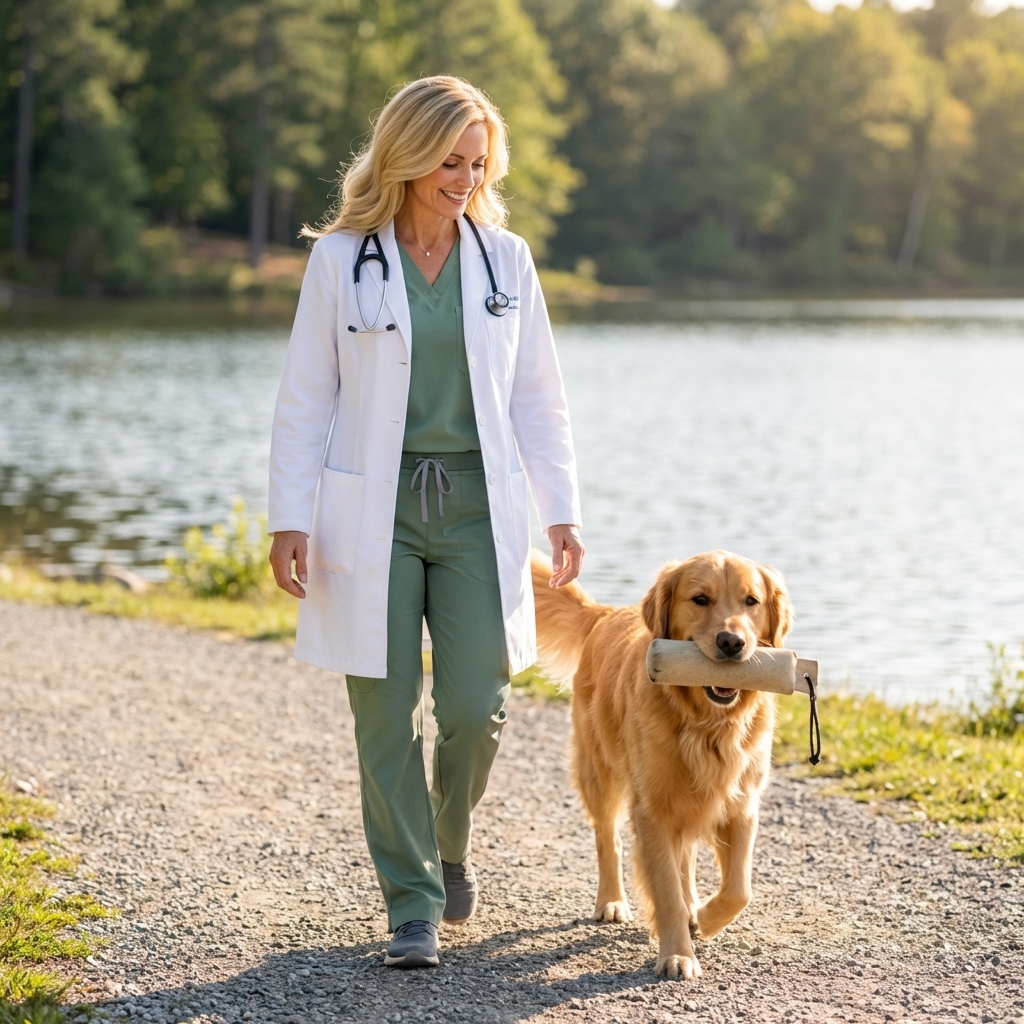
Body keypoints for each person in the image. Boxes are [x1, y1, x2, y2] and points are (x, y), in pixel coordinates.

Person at [267, 76, 583, 969]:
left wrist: (560, 511)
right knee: (384, 712)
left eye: (478, 163)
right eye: (450, 160)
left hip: (480, 506)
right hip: (374, 508)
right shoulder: (342, 260)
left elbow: (540, 399)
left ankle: (446, 848)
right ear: (406, 153)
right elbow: (305, 398)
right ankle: (413, 903)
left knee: (478, 706)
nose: (464, 177)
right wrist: (288, 518)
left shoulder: (505, 260)